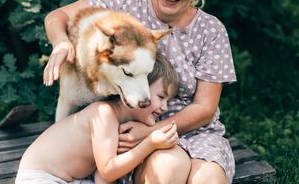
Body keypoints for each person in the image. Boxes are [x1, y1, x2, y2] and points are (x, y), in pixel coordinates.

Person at [43, 0, 237, 184]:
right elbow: (57, 16)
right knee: (167, 169)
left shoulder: (211, 30)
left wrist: (151, 131)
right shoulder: (122, 2)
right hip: (130, 130)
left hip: (193, 131)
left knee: (210, 179)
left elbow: (204, 108)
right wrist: (61, 43)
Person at [17, 53, 180, 184]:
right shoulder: (104, 113)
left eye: (168, 101)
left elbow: (103, 177)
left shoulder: (120, 124)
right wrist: (149, 144)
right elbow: (108, 171)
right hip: (40, 178)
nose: (165, 107)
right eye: (161, 97)